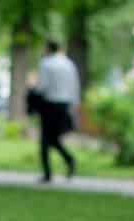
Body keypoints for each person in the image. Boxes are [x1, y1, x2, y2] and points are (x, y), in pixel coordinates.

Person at [34, 40, 81, 182]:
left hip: (50, 104)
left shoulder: (45, 64)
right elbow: (75, 86)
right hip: (65, 104)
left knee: (45, 140)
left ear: (48, 49)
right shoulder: (69, 64)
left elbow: (43, 86)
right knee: (53, 138)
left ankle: (48, 173)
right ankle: (69, 159)